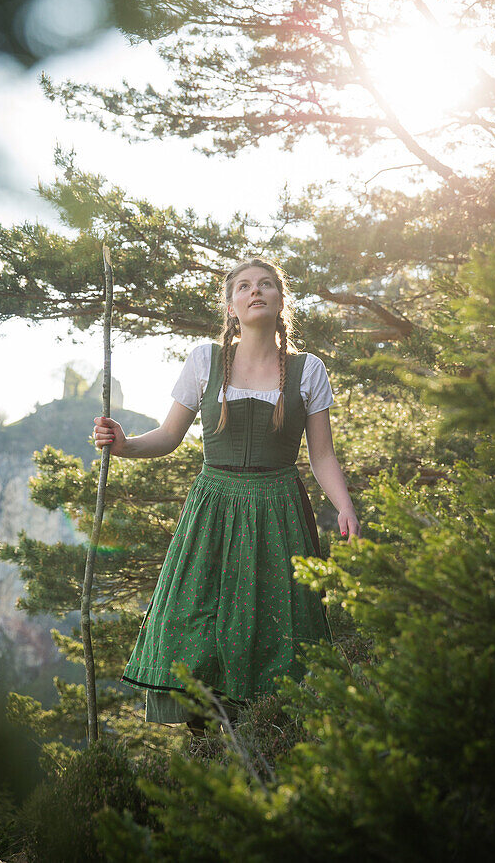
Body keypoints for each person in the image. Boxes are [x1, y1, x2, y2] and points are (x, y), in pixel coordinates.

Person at [92, 257, 360, 739]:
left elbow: (321, 456)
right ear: (231, 306)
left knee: (275, 626)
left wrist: (344, 505)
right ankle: (207, 744)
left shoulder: (307, 370)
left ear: (281, 301)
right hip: (213, 508)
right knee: (195, 623)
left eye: (266, 284)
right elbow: (170, 436)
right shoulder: (205, 361)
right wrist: (125, 444)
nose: (255, 291)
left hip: (279, 509)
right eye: (244, 286)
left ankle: (270, 742)